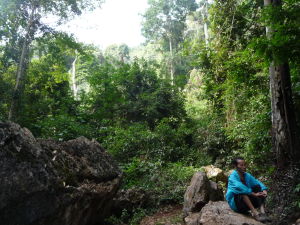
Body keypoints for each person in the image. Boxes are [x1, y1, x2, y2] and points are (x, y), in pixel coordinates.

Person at [226, 157, 271, 223]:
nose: (244, 167)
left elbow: (257, 182)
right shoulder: (232, 177)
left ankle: (263, 213)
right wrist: (254, 194)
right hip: (236, 204)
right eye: (241, 165)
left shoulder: (247, 175)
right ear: (235, 166)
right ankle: (256, 214)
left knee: (257, 187)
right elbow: (240, 187)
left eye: (244, 164)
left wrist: (264, 190)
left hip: (245, 203)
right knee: (241, 192)